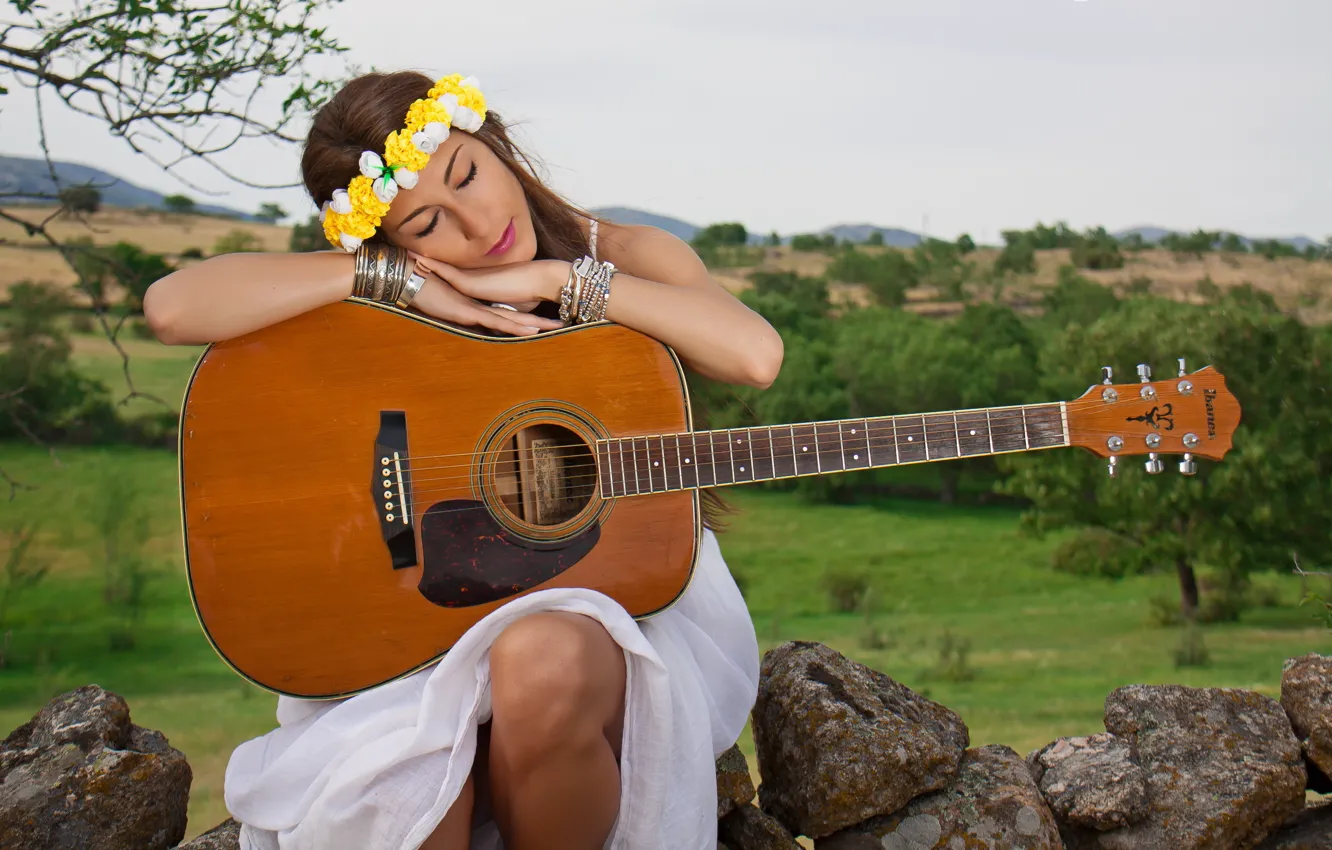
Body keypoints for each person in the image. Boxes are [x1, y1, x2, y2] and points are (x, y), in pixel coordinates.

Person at [143, 71, 784, 850]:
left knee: (540, 654)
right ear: (394, 239)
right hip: (417, 625)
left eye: (469, 175)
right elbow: (171, 308)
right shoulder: (389, 293)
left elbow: (754, 356)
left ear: (493, 142)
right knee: (414, 788)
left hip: (623, 604)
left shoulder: (626, 253)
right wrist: (391, 281)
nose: (478, 227)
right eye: (427, 222)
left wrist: (560, 279)